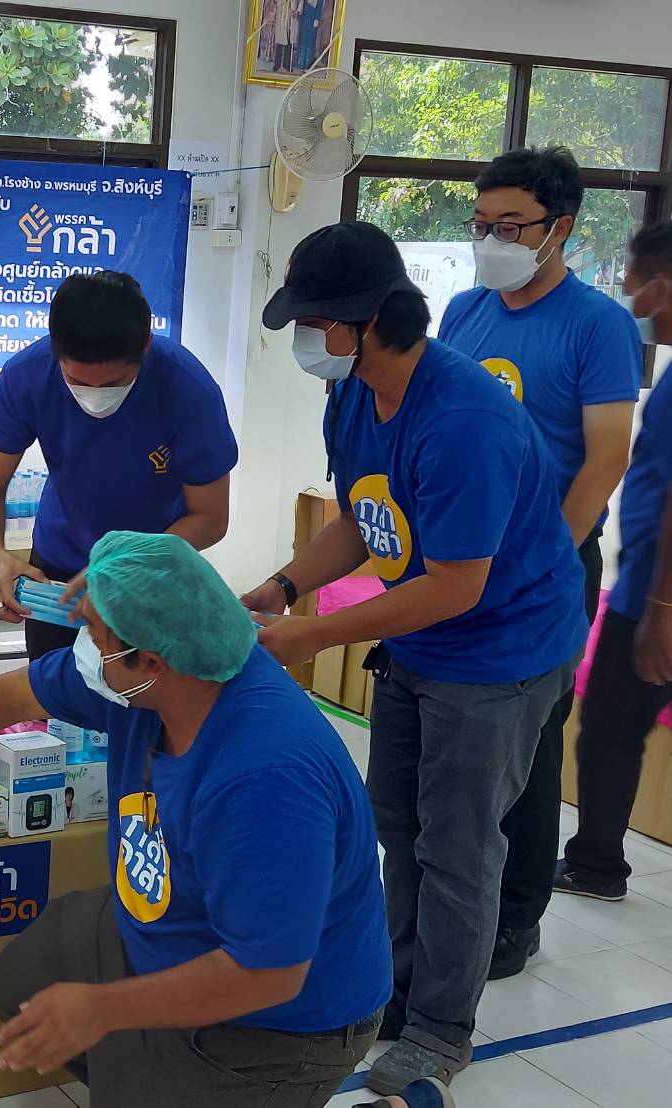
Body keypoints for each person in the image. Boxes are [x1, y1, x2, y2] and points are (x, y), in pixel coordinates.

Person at [0, 531, 391, 1107]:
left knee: (121, 1050)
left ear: (150, 662)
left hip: (276, 1025)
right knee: (26, 982)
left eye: (95, 637)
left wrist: (102, 1008)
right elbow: (12, 696)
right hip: (169, 919)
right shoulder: (156, 680)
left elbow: (269, 973)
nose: (85, 653)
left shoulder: (263, 776)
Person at [248, 221, 586, 1094]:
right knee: (393, 824)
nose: (303, 340)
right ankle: (393, 991)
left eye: (313, 322)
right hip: (420, 640)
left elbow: (455, 587)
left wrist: (313, 636)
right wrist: (284, 586)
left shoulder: (463, 418)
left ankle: (440, 1030)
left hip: (500, 650)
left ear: (367, 321)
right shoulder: (354, 394)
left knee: (457, 846)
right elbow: (362, 521)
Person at [438, 146, 641, 979]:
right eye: (480, 224)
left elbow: (605, 456)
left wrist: (545, 558)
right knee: (459, 742)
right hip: (464, 558)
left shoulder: (596, 324)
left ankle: (514, 918)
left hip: (548, 562)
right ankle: (442, 905)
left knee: (526, 746)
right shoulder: (463, 312)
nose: (491, 241)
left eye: (510, 226)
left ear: (560, 227)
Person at [0, 271, 236, 660]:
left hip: (153, 570)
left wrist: (121, 568)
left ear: (145, 345)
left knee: (146, 692)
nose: (94, 397)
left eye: (112, 384)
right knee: (55, 689)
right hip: (58, 573)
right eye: (77, 381)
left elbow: (210, 517)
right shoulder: (27, 375)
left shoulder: (188, 390)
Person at [558, 221, 672, 902]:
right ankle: (597, 862)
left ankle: (597, 865)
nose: (627, 291)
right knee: (607, 730)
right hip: (646, 588)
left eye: (633, 276)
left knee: (607, 730)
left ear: (661, 283)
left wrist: (660, 610)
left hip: (655, 598)